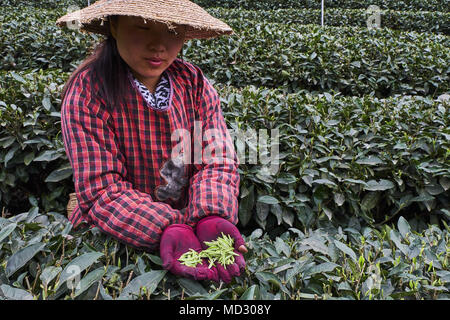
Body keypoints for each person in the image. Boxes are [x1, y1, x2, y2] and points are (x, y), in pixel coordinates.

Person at [56, 0, 247, 284]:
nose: (159, 45)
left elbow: (216, 158)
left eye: (172, 31)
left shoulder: (192, 82)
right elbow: (103, 190)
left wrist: (211, 215)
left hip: (189, 228)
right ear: (114, 25)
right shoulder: (87, 91)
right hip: (112, 235)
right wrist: (166, 228)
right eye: (143, 27)